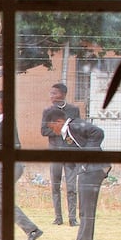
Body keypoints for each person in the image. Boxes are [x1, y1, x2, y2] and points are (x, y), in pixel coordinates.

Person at [46, 107, 108, 240]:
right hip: (89, 169)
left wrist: (88, 155)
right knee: (86, 210)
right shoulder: (67, 134)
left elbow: (98, 132)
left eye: (51, 126)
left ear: (59, 121)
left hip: (93, 169)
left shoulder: (73, 126)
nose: (51, 130)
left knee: (86, 210)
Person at [0, 95, 42, 240]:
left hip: (9, 164)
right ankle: (0, 236)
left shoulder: (5, 120)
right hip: (4, 164)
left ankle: (31, 229)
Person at [40, 82, 79, 227]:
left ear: (63, 94)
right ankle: (58, 217)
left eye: (54, 93)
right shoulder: (48, 111)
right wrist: (60, 131)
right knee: (55, 186)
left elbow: (78, 128)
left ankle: (72, 218)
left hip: (70, 153)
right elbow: (43, 131)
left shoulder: (73, 110)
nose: (52, 96)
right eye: (51, 94)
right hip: (55, 151)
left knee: (71, 187)